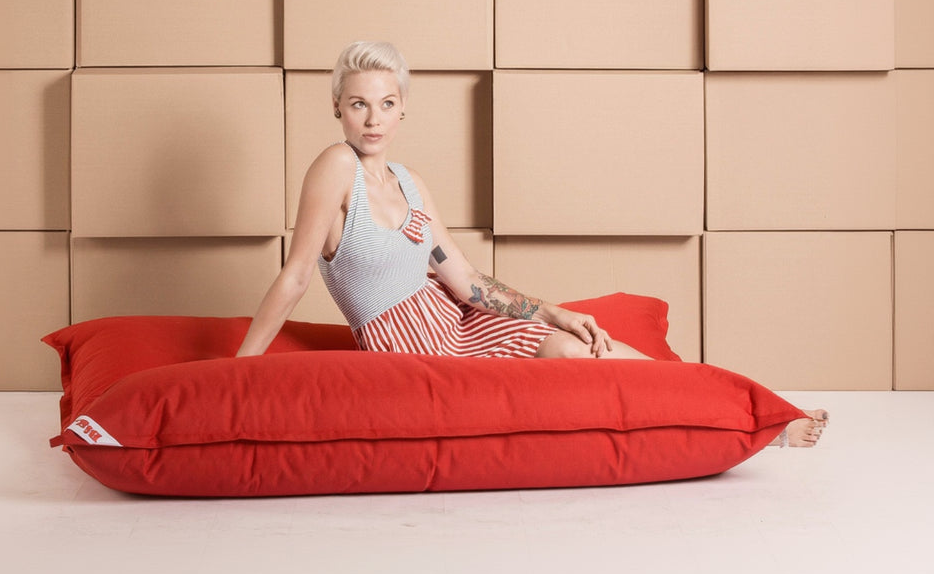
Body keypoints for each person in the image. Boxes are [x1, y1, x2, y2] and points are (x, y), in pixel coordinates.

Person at [236, 42, 827, 448]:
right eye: (359, 103)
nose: (372, 118)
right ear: (336, 106)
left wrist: (551, 310)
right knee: (574, 366)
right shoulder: (334, 168)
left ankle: (756, 410)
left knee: (584, 343)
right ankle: (748, 420)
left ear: (403, 110)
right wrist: (236, 372)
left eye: (386, 104)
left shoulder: (411, 183)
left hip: (458, 321)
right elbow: (295, 275)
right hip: (409, 344)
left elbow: (463, 279)